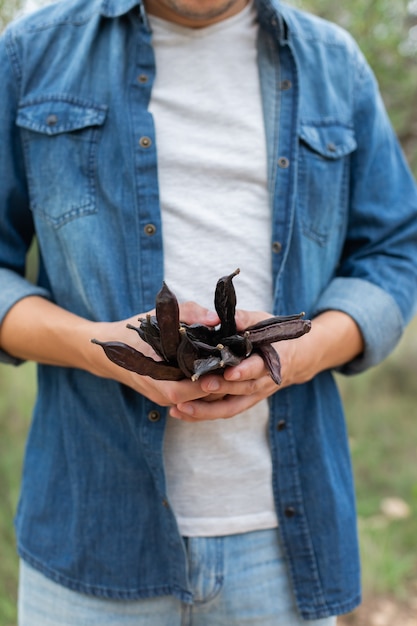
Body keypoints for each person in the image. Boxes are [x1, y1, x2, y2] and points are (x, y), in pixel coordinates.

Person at [0, 0, 416, 623]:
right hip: (90, 541)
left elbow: (393, 253)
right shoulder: (30, 53)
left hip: (285, 548)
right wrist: (101, 348)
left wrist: (299, 354)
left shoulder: (336, 66)